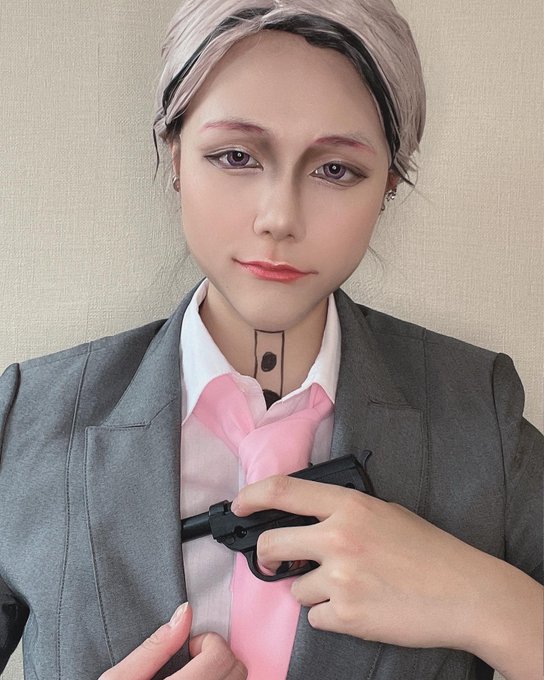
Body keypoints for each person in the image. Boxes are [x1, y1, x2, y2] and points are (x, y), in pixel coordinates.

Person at [0, 1, 542, 679]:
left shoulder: (480, 415)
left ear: (389, 184)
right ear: (175, 153)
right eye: (236, 156)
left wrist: (486, 604)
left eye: (336, 169)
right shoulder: (26, 419)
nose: (279, 217)